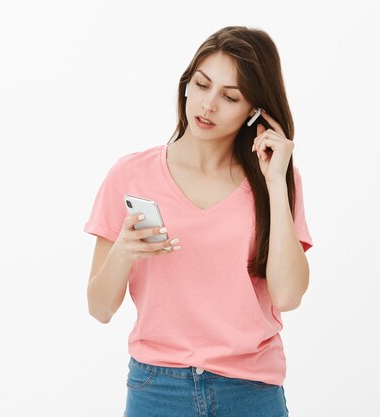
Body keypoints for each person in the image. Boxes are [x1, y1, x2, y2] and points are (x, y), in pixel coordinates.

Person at [83, 26, 313, 417]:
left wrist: (275, 183)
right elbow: (99, 308)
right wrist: (123, 251)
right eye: (202, 85)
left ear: (254, 111)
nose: (208, 105)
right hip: (156, 388)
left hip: (251, 390)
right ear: (186, 84)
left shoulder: (276, 179)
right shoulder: (130, 174)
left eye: (230, 97)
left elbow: (288, 296)